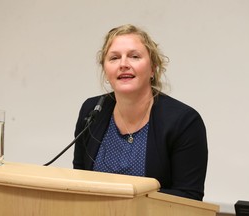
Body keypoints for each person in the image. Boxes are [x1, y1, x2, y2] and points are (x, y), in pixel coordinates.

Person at [73, 24, 208, 201]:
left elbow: (189, 198)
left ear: (153, 68)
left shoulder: (184, 121)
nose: (123, 64)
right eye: (114, 58)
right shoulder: (92, 111)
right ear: (105, 71)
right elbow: (78, 183)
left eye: (134, 56)